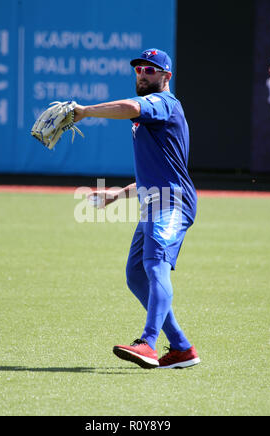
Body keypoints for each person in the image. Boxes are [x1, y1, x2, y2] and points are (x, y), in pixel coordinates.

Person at [74, 48, 200, 369]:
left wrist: (85, 111)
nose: (142, 74)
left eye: (150, 70)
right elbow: (159, 172)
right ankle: (182, 348)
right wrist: (118, 195)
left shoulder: (164, 104)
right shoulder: (149, 115)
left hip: (174, 202)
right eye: (139, 69)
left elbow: (130, 106)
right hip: (155, 200)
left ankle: (148, 343)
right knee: (135, 274)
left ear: (166, 76)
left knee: (155, 261)